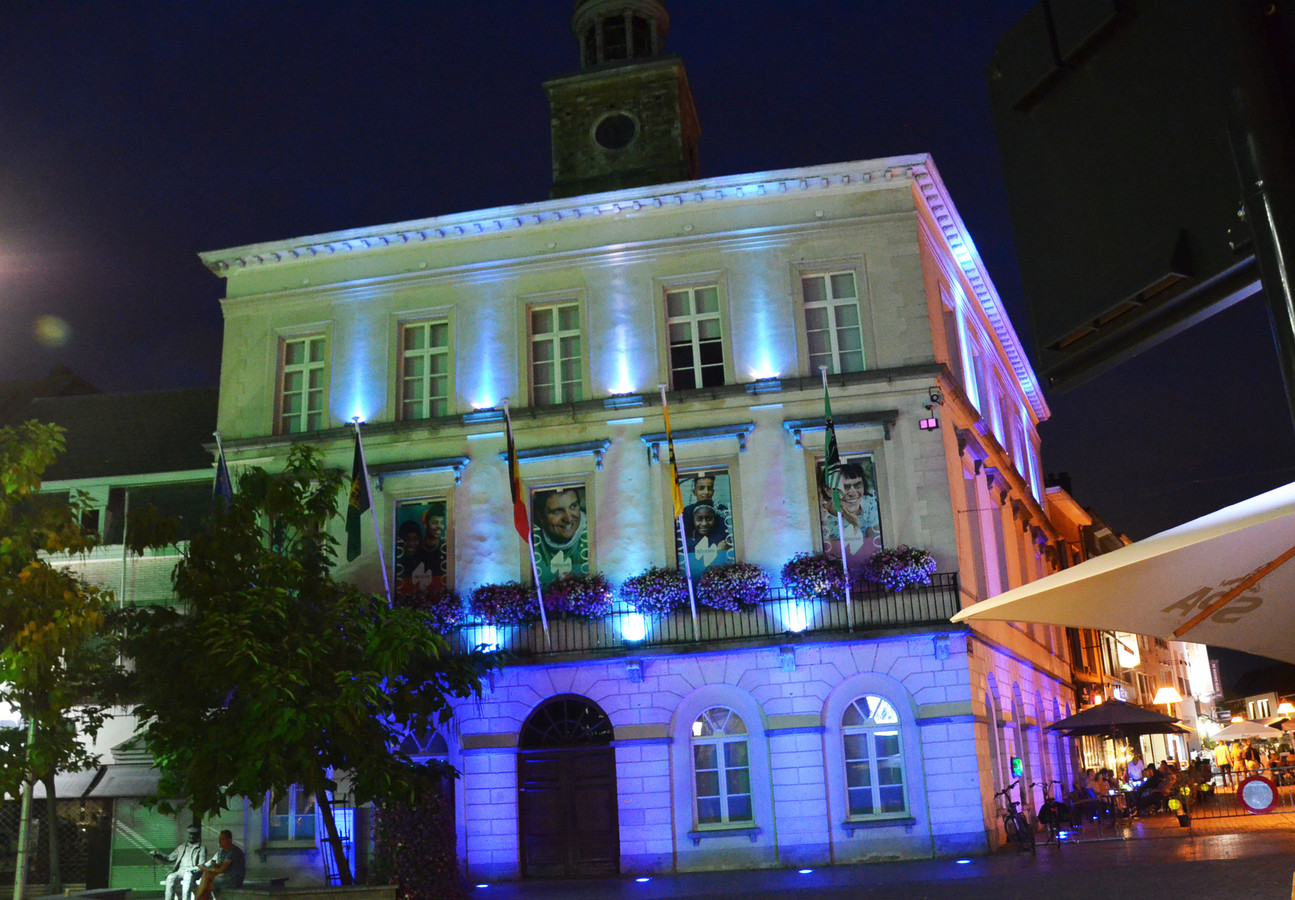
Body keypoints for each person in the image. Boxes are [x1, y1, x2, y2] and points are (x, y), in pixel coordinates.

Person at [818, 461, 882, 569]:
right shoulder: (821, 516)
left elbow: (874, 547)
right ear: (828, 491)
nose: (853, 493)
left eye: (858, 485)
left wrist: (856, 525)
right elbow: (833, 553)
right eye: (845, 487)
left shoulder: (870, 506)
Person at [532, 487, 588, 585]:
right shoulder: (532, 538)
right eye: (557, 511)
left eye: (573, 506)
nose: (568, 519)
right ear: (541, 516)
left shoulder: (592, 532)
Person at [153, 824, 205, 900]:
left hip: (192, 872)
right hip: (180, 871)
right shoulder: (181, 847)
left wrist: (193, 869)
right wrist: (158, 855)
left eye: (194, 834)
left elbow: (201, 865)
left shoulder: (201, 848)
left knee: (187, 877)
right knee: (170, 877)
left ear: (197, 836)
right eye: (190, 834)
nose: (192, 836)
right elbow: (169, 858)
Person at [192, 829, 244, 900]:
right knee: (206, 877)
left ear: (229, 840)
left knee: (205, 884)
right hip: (224, 876)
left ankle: (197, 898)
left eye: (222, 839)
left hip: (234, 879)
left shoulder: (233, 851)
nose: (219, 841)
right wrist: (214, 864)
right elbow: (219, 866)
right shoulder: (222, 851)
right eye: (219, 839)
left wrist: (205, 868)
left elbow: (221, 870)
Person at [684, 502, 733, 570]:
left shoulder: (723, 542)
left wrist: (721, 552)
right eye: (699, 519)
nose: (704, 523)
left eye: (709, 519)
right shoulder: (686, 542)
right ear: (693, 520)